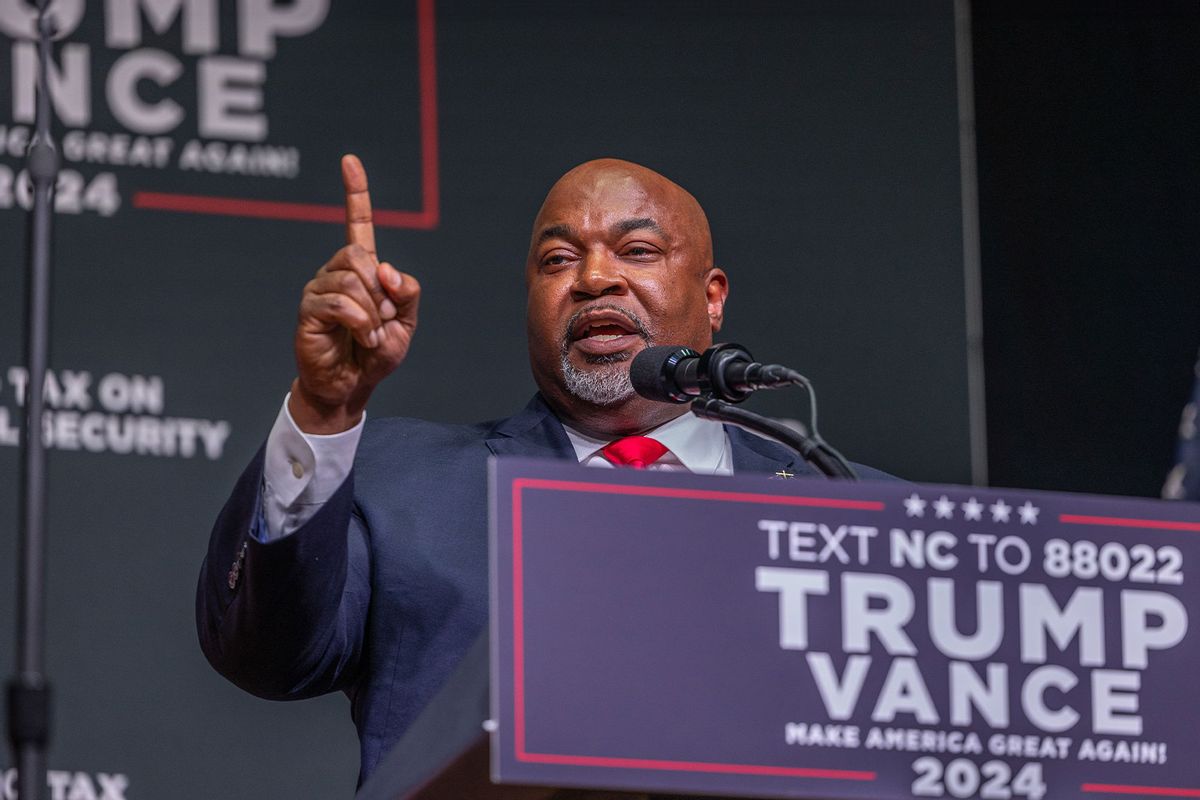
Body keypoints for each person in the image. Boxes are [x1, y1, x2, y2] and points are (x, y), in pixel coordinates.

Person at [196, 155, 889, 783]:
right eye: (558, 260)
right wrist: (323, 409)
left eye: (637, 250)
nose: (593, 279)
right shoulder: (400, 484)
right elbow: (264, 653)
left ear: (712, 296)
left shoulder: (855, 510)